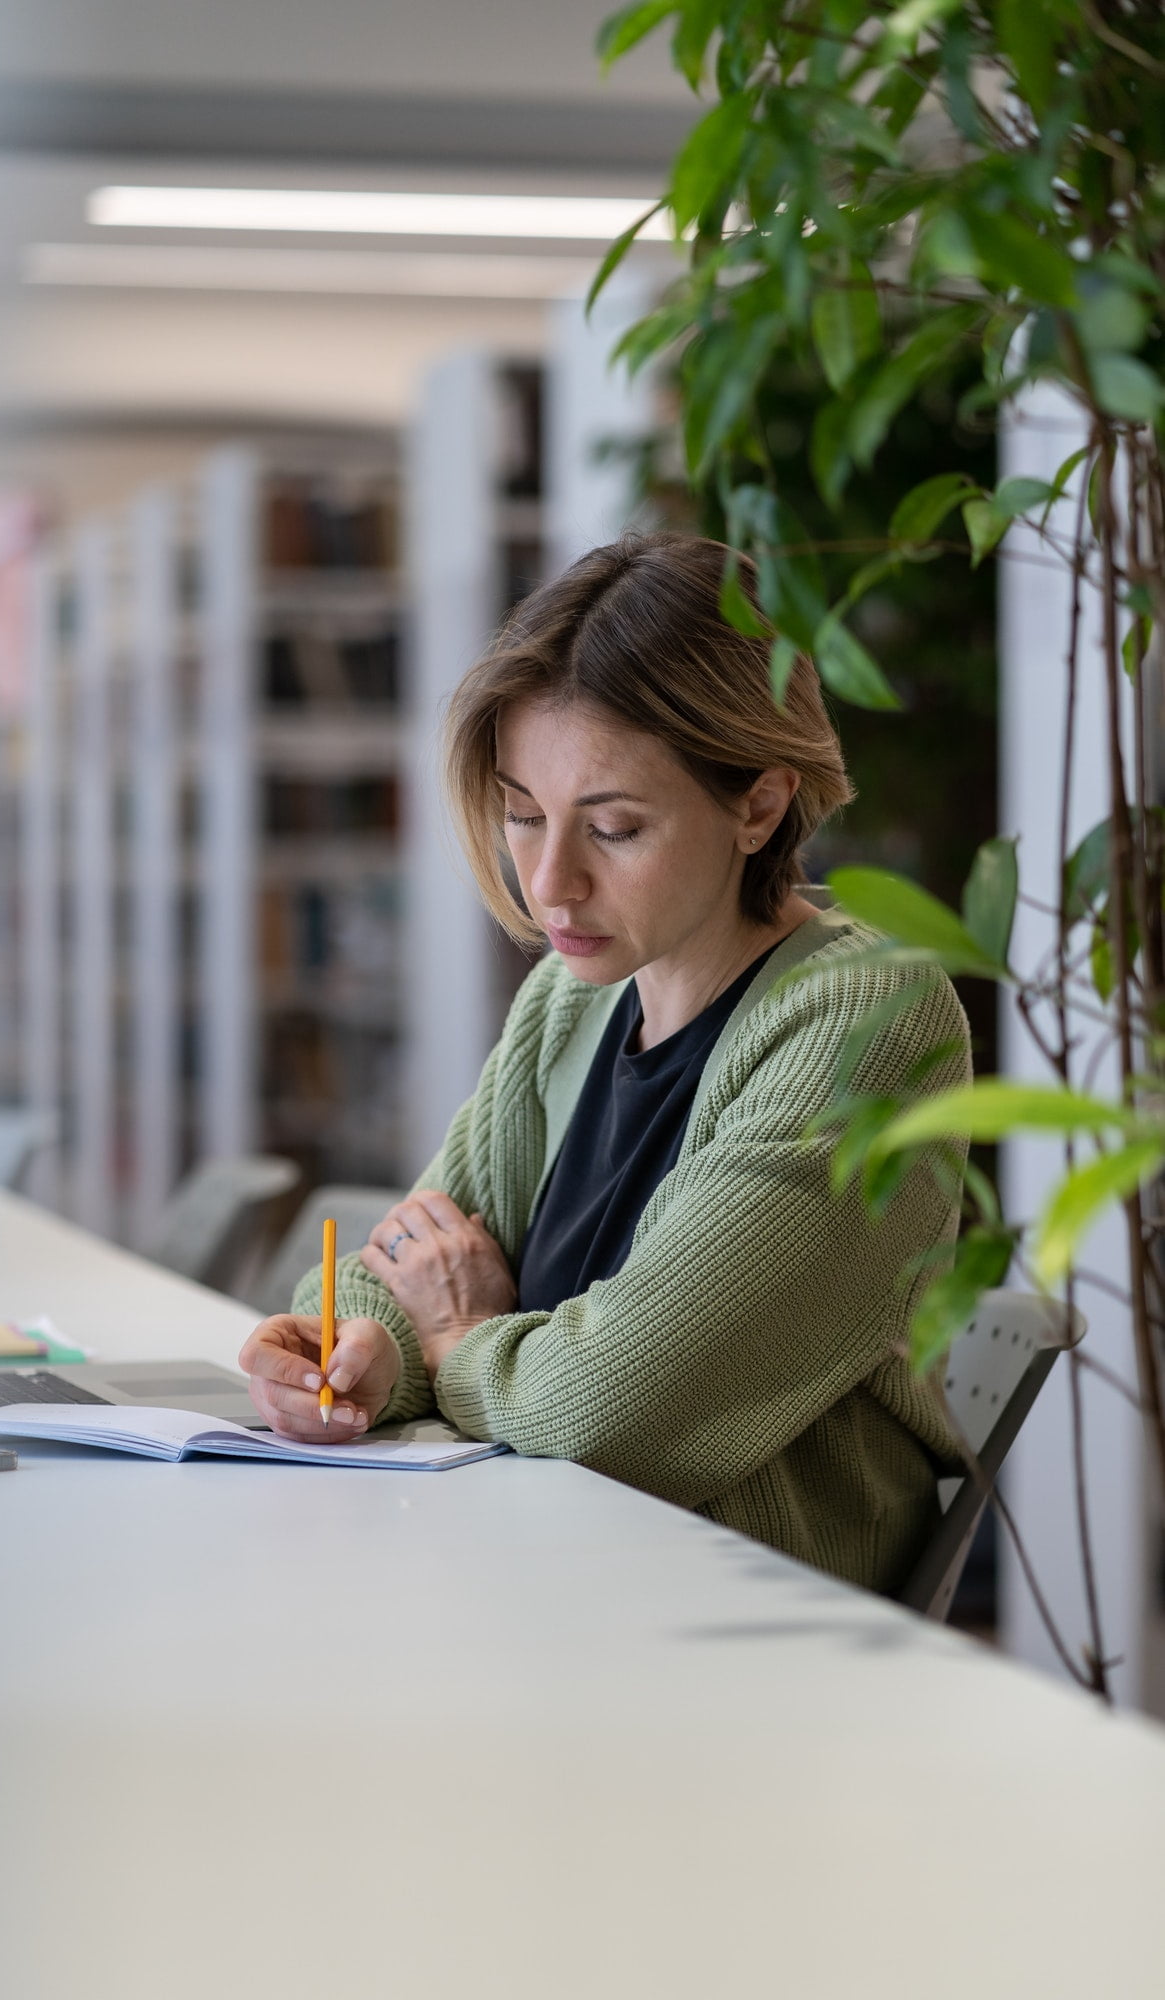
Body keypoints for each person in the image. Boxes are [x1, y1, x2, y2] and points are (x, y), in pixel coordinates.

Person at [240, 533, 968, 1594]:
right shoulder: (570, 999)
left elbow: (597, 1413)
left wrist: (458, 1333)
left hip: (745, 1639)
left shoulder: (867, 1026)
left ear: (758, 805)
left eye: (613, 827)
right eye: (523, 815)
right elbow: (410, 1253)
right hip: (548, 1586)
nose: (548, 883)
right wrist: (361, 1352)